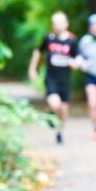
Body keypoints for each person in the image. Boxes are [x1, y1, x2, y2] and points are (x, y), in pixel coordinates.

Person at [28, 12, 77, 145]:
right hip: (51, 78)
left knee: (64, 109)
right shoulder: (48, 38)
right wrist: (32, 69)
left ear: (66, 24)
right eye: (55, 23)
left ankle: (60, 131)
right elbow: (38, 52)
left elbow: (78, 58)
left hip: (65, 80)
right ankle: (52, 112)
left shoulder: (72, 40)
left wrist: (75, 64)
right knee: (55, 103)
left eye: (60, 23)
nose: (57, 26)